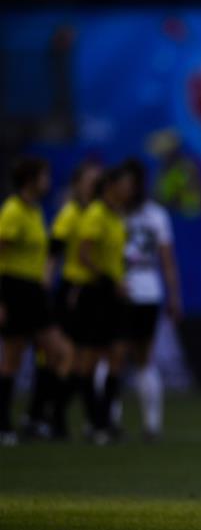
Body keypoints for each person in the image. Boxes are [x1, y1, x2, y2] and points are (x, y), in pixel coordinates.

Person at [0, 157, 73, 446]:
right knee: (12, 360)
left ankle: (36, 417)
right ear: (30, 180)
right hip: (13, 289)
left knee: (59, 352)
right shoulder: (13, 211)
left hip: (34, 292)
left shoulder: (35, 210)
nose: (48, 181)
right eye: (44, 176)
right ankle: (4, 424)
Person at [119, 158, 182, 440]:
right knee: (135, 358)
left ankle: (113, 422)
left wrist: (174, 295)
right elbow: (167, 262)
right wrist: (173, 295)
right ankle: (148, 424)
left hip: (131, 288)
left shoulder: (115, 214)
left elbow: (167, 261)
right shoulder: (156, 215)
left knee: (122, 357)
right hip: (145, 288)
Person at [42, 160, 103, 438]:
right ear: (78, 184)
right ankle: (53, 416)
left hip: (94, 290)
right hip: (74, 290)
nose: (95, 185)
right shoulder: (71, 213)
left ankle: (64, 418)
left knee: (83, 360)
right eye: (90, 180)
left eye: (98, 180)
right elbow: (54, 253)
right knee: (70, 358)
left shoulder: (100, 212)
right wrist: (45, 286)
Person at [70, 166, 131, 443]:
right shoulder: (95, 214)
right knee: (89, 359)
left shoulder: (117, 215)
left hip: (114, 295)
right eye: (124, 184)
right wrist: (109, 279)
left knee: (117, 354)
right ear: (111, 186)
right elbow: (83, 255)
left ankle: (105, 419)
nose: (129, 189)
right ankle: (95, 422)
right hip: (96, 294)